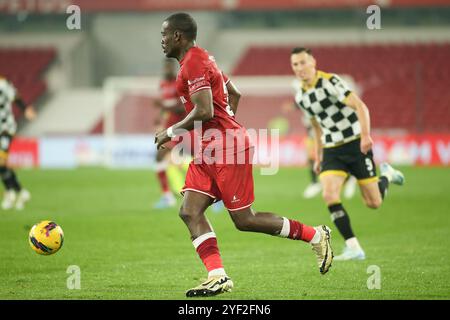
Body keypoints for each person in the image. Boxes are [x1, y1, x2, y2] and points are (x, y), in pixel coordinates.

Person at [155, 13, 333, 297]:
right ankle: (218, 276)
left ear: (177, 36)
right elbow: (234, 94)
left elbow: (205, 111)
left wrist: (172, 131)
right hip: (210, 148)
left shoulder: (195, 62)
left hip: (226, 148)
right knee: (189, 211)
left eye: (164, 35)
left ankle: (316, 235)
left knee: (244, 220)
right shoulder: (202, 58)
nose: (161, 41)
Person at [290, 47, 405, 261]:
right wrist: (319, 154)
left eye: (303, 62)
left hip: (355, 145)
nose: (299, 68)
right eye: (295, 64)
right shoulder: (301, 97)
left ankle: (387, 176)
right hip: (332, 149)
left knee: (373, 203)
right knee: (329, 194)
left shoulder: (330, 82)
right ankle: (353, 247)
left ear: (313, 61)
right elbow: (316, 126)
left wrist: (365, 136)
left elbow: (361, 106)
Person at [152, 58, 188, 209]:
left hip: (183, 127)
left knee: (193, 161)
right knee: (162, 156)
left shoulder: (180, 83)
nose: (167, 70)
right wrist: (159, 118)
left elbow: (183, 108)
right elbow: (163, 107)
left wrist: (164, 106)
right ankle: (167, 196)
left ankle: (216, 196)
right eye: (165, 67)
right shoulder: (162, 85)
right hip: (169, 128)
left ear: (174, 68)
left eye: (169, 67)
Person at [0, 75, 36, 210]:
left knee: (1, 161)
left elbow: (15, 96)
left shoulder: (3, 84)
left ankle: (10, 193)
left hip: (6, 129)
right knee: (2, 164)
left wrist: (25, 109)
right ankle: (21, 192)